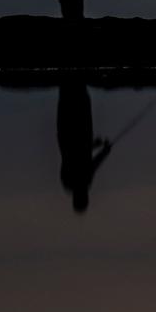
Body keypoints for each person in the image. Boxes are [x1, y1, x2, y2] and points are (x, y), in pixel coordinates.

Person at [56, 80, 113, 213]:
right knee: (70, 97)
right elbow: (81, 156)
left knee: (74, 97)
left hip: (74, 133)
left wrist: (102, 149)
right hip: (67, 132)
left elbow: (78, 155)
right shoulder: (71, 182)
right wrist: (99, 148)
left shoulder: (79, 181)